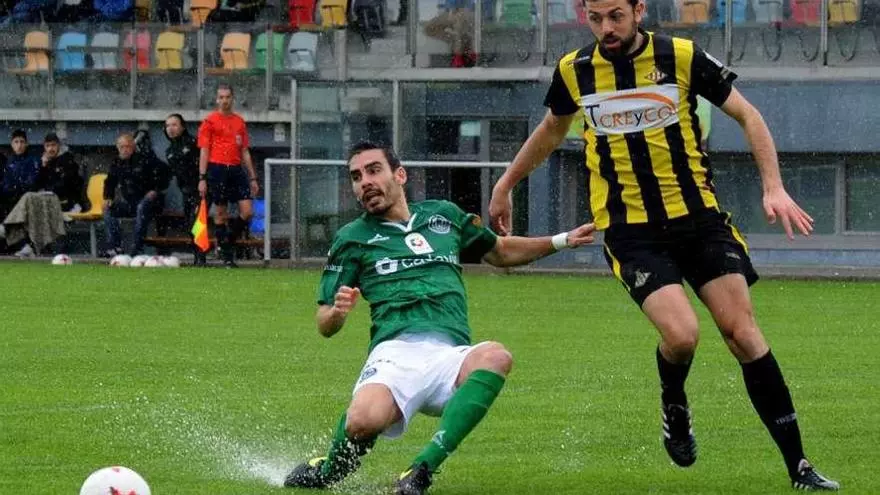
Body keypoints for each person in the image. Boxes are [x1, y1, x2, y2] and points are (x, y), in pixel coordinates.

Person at [488, 0, 839, 490]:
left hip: (699, 221)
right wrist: (505, 184)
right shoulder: (575, 70)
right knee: (682, 336)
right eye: (595, 18)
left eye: (616, 16)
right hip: (632, 232)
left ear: (639, 9)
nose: (606, 28)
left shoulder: (680, 55)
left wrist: (773, 186)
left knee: (742, 334)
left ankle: (799, 466)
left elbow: (748, 114)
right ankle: (674, 403)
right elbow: (552, 129)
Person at [284, 141, 596, 495]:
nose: (365, 181)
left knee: (496, 356)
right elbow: (323, 321)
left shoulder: (443, 216)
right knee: (362, 421)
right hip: (395, 354)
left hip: (449, 355)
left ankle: (421, 470)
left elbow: (499, 251)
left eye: (373, 170)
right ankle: (329, 470)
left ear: (400, 175)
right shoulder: (352, 238)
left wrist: (561, 240)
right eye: (356, 177)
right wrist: (337, 313)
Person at [197, 83, 259, 268]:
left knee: (247, 212)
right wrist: (202, 177)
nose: (224, 100)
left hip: (236, 169)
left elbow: (245, 151)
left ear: (233, 99)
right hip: (217, 169)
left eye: (227, 97)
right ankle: (227, 255)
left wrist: (253, 177)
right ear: (217, 100)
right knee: (220, 213)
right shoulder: (209, 121)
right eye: (221, 97)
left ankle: (227, 241)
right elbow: (204, 151)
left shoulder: (239, 122)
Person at [103, 132, 171, 257]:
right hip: (131, 203)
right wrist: (108, 197)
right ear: (117, 148)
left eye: (127, 146)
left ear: (133, 147)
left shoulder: (145, 158)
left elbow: (166, 171)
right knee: (108, 209)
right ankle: (115, 246)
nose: (125, 150)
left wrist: (155, 190)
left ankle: (137, 247)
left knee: (142, 206)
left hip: (151, 203)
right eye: (122, 147)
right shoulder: (117, 162)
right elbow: (109, 182)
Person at [164, 113, 205, 266]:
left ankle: (201, 258)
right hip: (186, 191)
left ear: (182, 127)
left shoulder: (194, 143)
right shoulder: (169, 151)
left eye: (174, 125)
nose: (170, 128)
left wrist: (203, 180)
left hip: (200, 189)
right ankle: (197, 256)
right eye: (168, 126)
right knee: (190, 224)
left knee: (197, 222)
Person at [36, 132, 87, 215]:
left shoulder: (67, 160)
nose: (50, 149)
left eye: (53, 145)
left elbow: (67, 184)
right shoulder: (45, 163)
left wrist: (49, 190)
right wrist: (43, 167)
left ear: (58, 145)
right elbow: (37, 185)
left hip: (70, 203)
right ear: (44, 147)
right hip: (51, 203)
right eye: (47, 146)